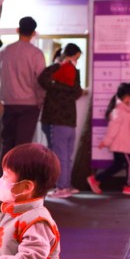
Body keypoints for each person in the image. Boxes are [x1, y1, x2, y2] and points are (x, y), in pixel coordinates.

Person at [38, 43, 84, 198]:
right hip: (70, 119)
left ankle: (62, 187)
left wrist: (55, 85)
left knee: (59, 155)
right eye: (76, 57)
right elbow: (77, 92)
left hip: (55, 119)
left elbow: (42, 80)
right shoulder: (72, 73)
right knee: (66, 154)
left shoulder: (54, 70)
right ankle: (66, 185)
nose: (75, 61)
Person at [0, 17, 46, 158]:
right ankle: (19, 178)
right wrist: (40, 101)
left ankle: (4, 176)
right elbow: (40, 81)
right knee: (23, 146)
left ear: (18, 30)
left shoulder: (4, 51)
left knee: (7, 143)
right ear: (34, 33)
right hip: (29, 105)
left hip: (7, 103)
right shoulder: (36, 54)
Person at [88, 82, 130, 196]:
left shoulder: (126, 110)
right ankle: (129, 186)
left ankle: (96, 179)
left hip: (124, 144)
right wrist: (106, 142)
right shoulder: (119, 111)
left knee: (118, 165)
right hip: (121, 145)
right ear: (126, 96)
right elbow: (112, 129)